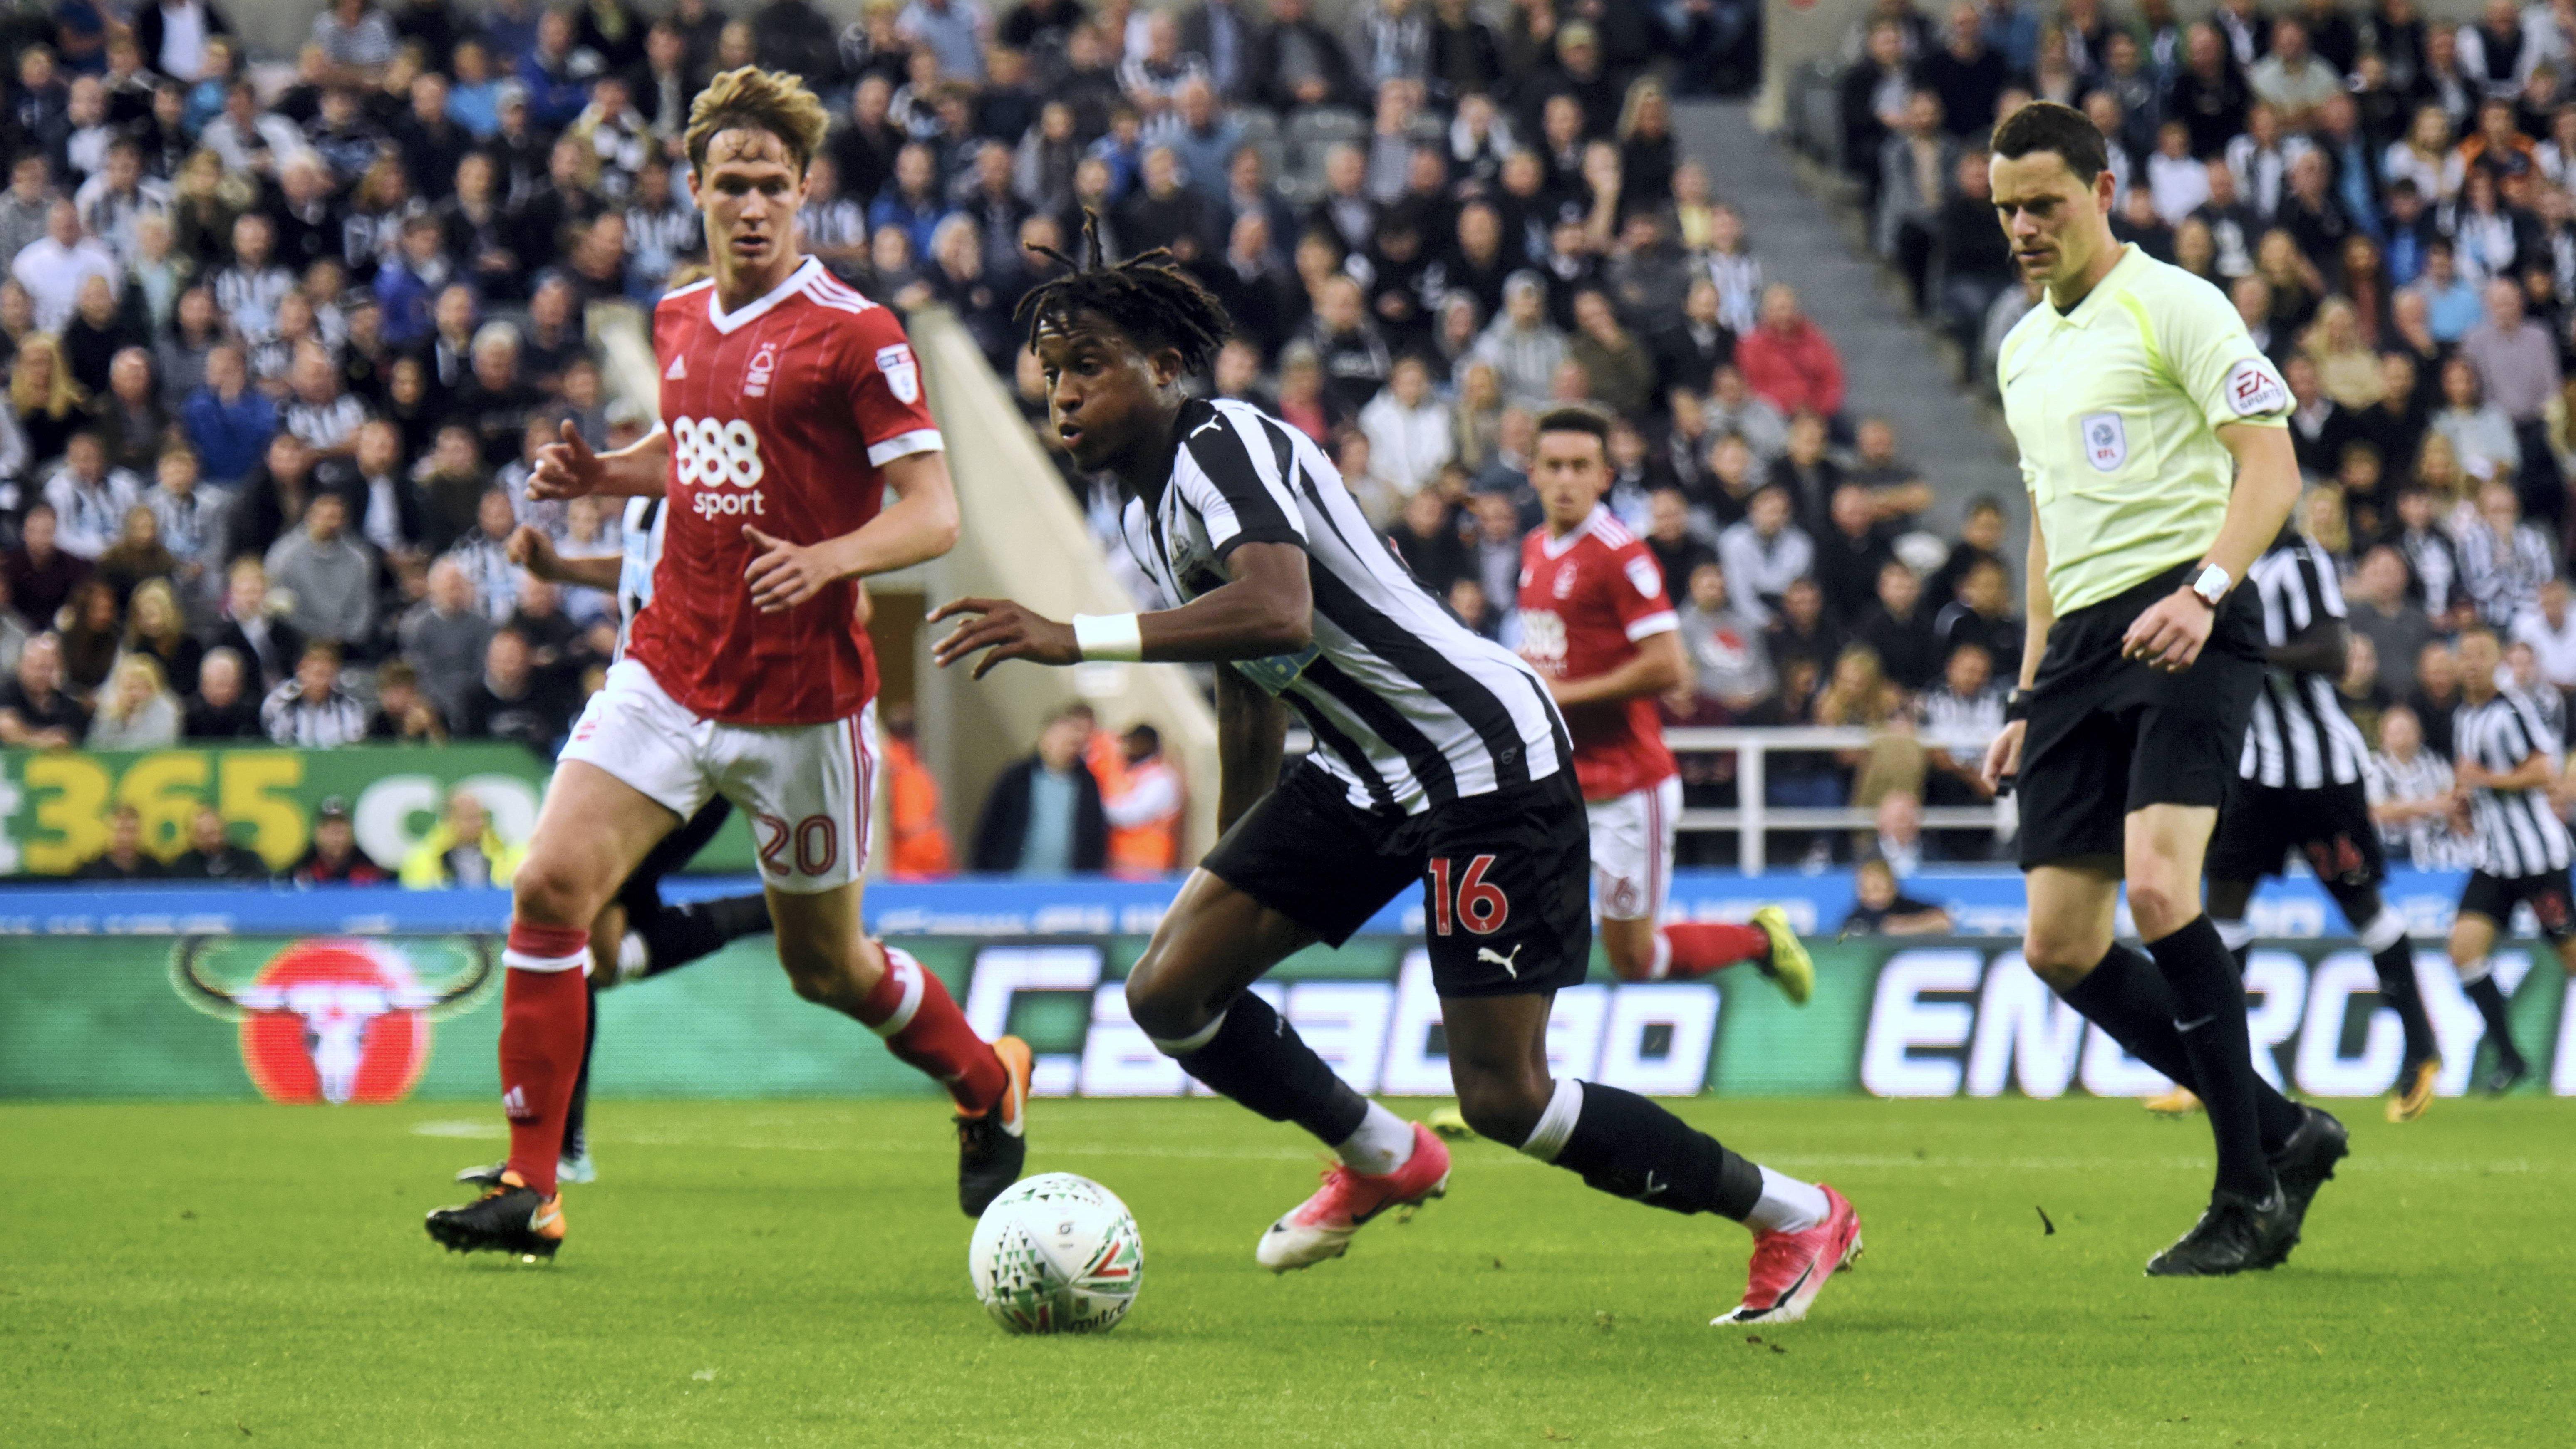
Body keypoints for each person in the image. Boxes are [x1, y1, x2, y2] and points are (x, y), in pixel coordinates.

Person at [930, 223, 1863, 1325]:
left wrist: (1071, 636)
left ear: (1164, 368)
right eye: (1051, 376)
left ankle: (1793, 1213)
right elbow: (1244, 675)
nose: (1063, 398)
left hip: (1479, 764)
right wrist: (1231, 856)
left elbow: (1275, 606)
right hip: (1361, 774)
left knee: (1506, 1096)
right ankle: (1382, 1155)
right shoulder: (1154, 507)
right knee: (1168, 990)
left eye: (1087, 366)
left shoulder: (1221, 444)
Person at [425, 67, 1030, 1263]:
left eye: (772, 185)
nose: (751, 206)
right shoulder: (677, 318)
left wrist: (828, 557)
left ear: (803, 192)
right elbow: (696, 447)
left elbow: (932, 511)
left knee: (828, 968)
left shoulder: (855, 335)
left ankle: (984, 1078)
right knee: (549, 888)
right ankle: (529, 1184)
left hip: (802, 709)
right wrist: (609, 475)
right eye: (729, 185)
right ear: (691, 191)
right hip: (664, 673)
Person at [1977, 104, 2343, 1278]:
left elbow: (2269, 463)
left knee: (2152, 884)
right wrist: (2028, 694)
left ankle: (2243, 1191)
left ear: (2101, 187)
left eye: (2044, 203)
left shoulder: (2172, 301)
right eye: (2005, 211)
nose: (2024, 228)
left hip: (2184, 617)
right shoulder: (2019, 346)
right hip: (2078, 646)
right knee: (2056, 943)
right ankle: (2284, 1130)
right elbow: (2044, 526)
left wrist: (2203, 588)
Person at [1511, 406, 1814, 990]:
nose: (1566, 478)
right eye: (1554, 465)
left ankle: (1759, 938)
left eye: (1580, 466)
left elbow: (1668, 666)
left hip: (1627, 787)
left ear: (1604, 475)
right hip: (1558, 781)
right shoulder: (1532, 549)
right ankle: (1519, 1070)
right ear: (1532, 473)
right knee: (1526, 921)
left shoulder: (1620, 556)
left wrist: (1563, 694)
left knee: (1634, 958)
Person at [2190, 523, 2443, 1125]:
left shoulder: (2296, 560)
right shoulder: (2221, 557)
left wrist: (2243, 651)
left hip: (2319, 776)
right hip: (2256, 772)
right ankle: (2212, 1069)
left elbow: (2332, 652)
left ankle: (2421, 1048)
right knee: (2220, 905)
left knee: (2361, 908)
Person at [2441, 627, 2576, 1098]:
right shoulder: (2463, 716)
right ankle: (2510, 1056)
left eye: (2482, 654)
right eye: (2466, 654)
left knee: (2570, 957)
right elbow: (2471, 779)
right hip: (2494, 860)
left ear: (2497, 660)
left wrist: (2487, 780)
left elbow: (2544, 770)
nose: (2473, 662)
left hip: (2537, 859)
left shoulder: (2513, 709)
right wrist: (2464, 801)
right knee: (2462, 950)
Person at [969, 704, 1110, 874]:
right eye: (1059, 738)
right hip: (1016, 881)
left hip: (1066, 887)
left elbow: (1095, 838)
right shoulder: (1017, 778)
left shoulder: (1087, 784)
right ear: (1045, 738)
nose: (1066, 746)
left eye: (1071, 741)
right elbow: (990, 830)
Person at [400, 788, 526, 888]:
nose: (479, 824)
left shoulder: (506, 855)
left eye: (481, 817)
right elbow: (418, 903)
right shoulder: (422, 859)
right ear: (449, 821)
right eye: (469, 818)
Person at [261, 640, 368, 747]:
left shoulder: (349, 708)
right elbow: (272, 734)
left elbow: (354, 746)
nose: (322, 682)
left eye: (328, 675)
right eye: (317, 674)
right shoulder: (283, 703)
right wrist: (296, 688)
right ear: (302, 669)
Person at [0, 634, 90, 746]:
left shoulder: (70, 706)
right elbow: (6, 729)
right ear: (21, 666)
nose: (42, 675)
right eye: (37, 667)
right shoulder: (6, 693)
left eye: (49, 668)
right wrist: (41, 741)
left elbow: (69, 737)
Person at [1839, 855, 1950, 934]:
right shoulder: (1855, 919)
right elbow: (1841, 945)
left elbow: (1943, 921)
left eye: (1879, 886)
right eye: (1869, 887)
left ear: (1893, 885)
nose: (1874, 893)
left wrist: (1906, 927)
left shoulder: (1906, 906)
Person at [293, 796, 391, 884]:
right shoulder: (301, 869)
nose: (336, 837)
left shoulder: (369, 870)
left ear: (352, 832)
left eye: (341, 829)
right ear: (318, 833)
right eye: (330, 829)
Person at [168, 804, 270, 880]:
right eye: (205, 836)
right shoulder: (184, 867)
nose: (214, 841)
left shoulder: (248, 861)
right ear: (192, 837)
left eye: (215, 833)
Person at [76, 803, 166, 880]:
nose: (125, 838)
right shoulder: (90, 875)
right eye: (119, 831)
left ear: (140, 833)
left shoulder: (156, 873)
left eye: (131, 830)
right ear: (107, 833)